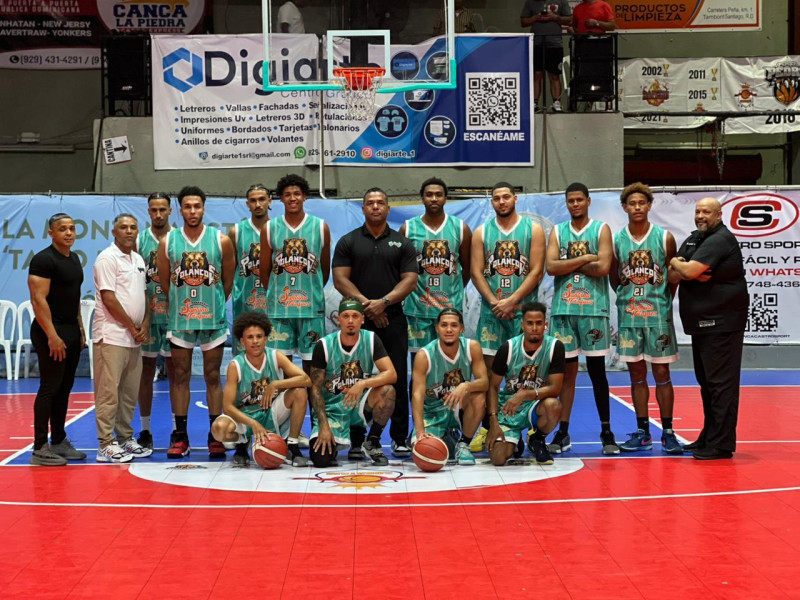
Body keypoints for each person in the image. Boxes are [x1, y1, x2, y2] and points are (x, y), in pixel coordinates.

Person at [332, 188, 418, 459]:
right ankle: (356, 440)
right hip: (358, 322)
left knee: (397, 377)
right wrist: (368, 305)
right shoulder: (348, 241)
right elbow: (339, 279)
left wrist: (385, 302)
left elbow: (410, 280)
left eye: (381, 202)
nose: (376, 207)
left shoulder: (402, 243)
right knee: (356, 377)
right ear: (364, 209)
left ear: (388, 208)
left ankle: (398, 437)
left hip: (392, 319)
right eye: (370, 203)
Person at [157, 185, 235, 459]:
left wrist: (212, 303)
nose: (192, 211)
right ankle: (180, 435)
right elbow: (166, 282)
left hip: (212, 319)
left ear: (204, 208)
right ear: (180, 210)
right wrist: (182, 306)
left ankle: (216, 435)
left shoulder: (220, 240)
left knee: (213, 376)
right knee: (180, 376)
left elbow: (227, 281)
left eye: (197, 206)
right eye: (187, 207)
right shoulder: (168, 242)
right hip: (180, 319)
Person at [668, 197, 748, 460]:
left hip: (722, 323)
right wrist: (680, 266)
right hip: (702, 324)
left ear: (719, 214)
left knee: (720, 385)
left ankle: (721, 444)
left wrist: (685, 268)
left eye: (706, 212)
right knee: (707, 384)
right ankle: (708, 436)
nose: (700, 215)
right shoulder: (695, 238)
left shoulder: (720, 239)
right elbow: (674, 270)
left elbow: (687, 270)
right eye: (697, 211)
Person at [469, 182, 545, 453]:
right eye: (496, 198)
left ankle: (525, 428)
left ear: (515, 199)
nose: (501, 202)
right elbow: (476, 271)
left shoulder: (532, 230)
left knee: (524, 374)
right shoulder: (481, 232)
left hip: (521, 312)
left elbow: (537, 271)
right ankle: (491, 426)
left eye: (505, 197)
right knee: (491, 374)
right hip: (492, 313)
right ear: (491, 203)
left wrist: (512, 301)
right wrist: (494, 302)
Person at [546, 182, 619, 455]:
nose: (575, 204)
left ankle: (607, 432)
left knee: (598, 373)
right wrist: (586, 257)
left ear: (588, 201)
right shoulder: (558, 231)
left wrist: (571, 262)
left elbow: (602, 268)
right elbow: (551, 267)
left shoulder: (601, 229)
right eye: (570, 200)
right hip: (564, 311)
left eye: (579, 200)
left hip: (593, 310)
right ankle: (563, 433)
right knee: (567, 375)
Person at [610, 183, 682, 454]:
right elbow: (614, 278)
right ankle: (642, 431)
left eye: (642, 203)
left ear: (649, 205)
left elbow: (673, 278)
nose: (637, 207)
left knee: (662, 374)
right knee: (636, 376)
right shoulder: (617, 240)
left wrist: (661, 302)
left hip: (658, 318)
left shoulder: (664, 238)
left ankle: (668, 431)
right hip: (630, 318)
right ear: (625, 207)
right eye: (632, 203)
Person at [211, 312, 310, 467]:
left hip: (271, 413)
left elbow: (306, 379)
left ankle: (292, 445)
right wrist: (253, 424)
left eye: (259, 336)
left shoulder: (275, 356)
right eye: (250, 337)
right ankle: (242, 443)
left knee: (299, 391)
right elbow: (228, 407)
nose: (255, 341)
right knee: (218, 429)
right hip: (245, 417)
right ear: (242, 341)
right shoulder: (235, 365)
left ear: (266, 338)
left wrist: (276, 384)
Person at [27, 213, 88, 466]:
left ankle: (59, 440)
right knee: (50, 387)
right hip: (49, 332)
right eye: (63, 229)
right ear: (51, 233)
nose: (69, 233)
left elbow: (74, 297)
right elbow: (38, 300)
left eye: (72, 228)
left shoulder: (73, 258)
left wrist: (80, 329)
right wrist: (52, 335)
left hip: (71, 330)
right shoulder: (43, 260)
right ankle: (40, 447)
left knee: (65, 387)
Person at [308, 298, 397, 467]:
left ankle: (372, 441)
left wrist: (362, 384)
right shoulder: (324, 346)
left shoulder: (371, 339)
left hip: (360, 404)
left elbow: (391, 374)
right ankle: (335, 441)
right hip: (333, 409)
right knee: (320, 460)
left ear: (362, 319)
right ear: (338, 319)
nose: (350, 321)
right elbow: (315, 390)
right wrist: (323, 425)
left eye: (355, 316)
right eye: (346, 316)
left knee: (388, 390)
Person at [93, 214, 152, 463]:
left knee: (129, 393)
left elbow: (143, 296)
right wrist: (131, 326)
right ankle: (105, 445)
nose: (129, 231)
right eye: (123, 227)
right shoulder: (107, 258)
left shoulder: (138, 259)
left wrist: (145, 324)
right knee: (109, 393)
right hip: (112, 335)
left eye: (133, 227)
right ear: (114, 231)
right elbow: (109, 298)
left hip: (133, 337)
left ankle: (126, 438)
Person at [260, 174, 330, 373]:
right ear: (280, 199)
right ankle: (286, 405)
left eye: (297, 194)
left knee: (313, 368)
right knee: (280, 367)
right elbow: (264, 272)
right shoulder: (269, 228)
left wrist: (311, 290)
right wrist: (276, 294)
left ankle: (315, 406)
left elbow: (323, 270)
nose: (292, 198)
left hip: (311, 309)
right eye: (287, 194)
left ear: (305, 197)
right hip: (279, 311)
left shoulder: (320, 227)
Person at [399, 177, 471, 363]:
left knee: (450, 362)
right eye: (429, 195)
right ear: (422, 198)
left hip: (449, 309)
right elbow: (401, 270)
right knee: (419, 364)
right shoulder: (408, 228)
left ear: (446, 198)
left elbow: (467, 268)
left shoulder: (460, 228)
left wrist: (454, 291)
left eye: (438, 195)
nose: (434, 199)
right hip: (417, 310)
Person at [486, 302, 564, 466]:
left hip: (535, 405)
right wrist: (493, 422)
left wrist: (524, 394)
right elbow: (492, 387)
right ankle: (514, 442)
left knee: (554, 405)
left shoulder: (554, 347)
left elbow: (555, 388)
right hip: (509, 408)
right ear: (522, 325)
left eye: (539, 323)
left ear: (545, 325)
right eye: (530, 323)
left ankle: (537, 438)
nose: (534, 327)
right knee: (498, 459)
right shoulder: (508, 348)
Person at [410, 308, 487, 465]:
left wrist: (465, 386)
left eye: (454, 325)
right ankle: (445, 434)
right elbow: (417, 395)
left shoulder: (472, 347)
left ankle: (464, 444)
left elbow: (484, 382)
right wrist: (420, 432)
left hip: (459, 407)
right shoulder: (424, 355)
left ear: (462, 328)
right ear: (437, 328)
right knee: (424, 452)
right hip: (432, 412)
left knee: (478, 396)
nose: (449, 329)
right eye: (444, 325)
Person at [136, 192, 175, 450]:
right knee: (146, 372)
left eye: (162, 209)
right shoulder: (139, 239)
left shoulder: (179, 239)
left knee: (176, 374)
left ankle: (177, 429)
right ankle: (145, 429)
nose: (158, 214)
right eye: (154, 210)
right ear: (148, 211)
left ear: (170, 211)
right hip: (148, 316)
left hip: (174, 315)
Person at [229, 183, 270, 354]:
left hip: (272, 303)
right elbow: (230, 270)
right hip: (245, 302)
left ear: (270, 201)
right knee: (244, 355)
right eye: (253, 201)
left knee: (273, 354)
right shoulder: (236, 231)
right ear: (247, 204)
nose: (258, 204)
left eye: (262, 199)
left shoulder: (278, 228)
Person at [520, 0, 572, 113]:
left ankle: (556, 103)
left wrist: (555, 17)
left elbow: (569, 20)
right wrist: (535, 18)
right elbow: (523, 21)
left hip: (555, 44)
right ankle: (534, 103)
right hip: (536, 43)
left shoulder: (561, 1)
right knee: (537, 74)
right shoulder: (530, 2)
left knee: (554, 75)